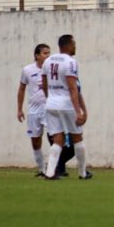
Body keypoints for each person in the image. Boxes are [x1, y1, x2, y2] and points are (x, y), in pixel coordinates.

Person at [41, 34, 91, 179]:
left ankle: (49, 173)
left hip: (51, 104)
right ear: (67, 45)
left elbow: (43, 85)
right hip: (66, 104)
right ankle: (82, 173)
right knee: (77, 138)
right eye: (73, 44)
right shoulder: (70, 62)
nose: (75, 46)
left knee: (58, 139)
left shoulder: (48, 61)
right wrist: (78, 111)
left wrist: (49, 98)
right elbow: (72, 88)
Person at [17, 44, 50, 177]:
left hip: (49, 109)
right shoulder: (27, 70)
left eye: (49, 53)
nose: (48, 56)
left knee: (54, 137)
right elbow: (21, 89)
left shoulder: (52, 69)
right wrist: (19, 109)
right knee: (36, 141)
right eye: (45, 53)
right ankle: (42, 169)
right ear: (37, 55)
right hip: (34, 111)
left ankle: (57, 167)